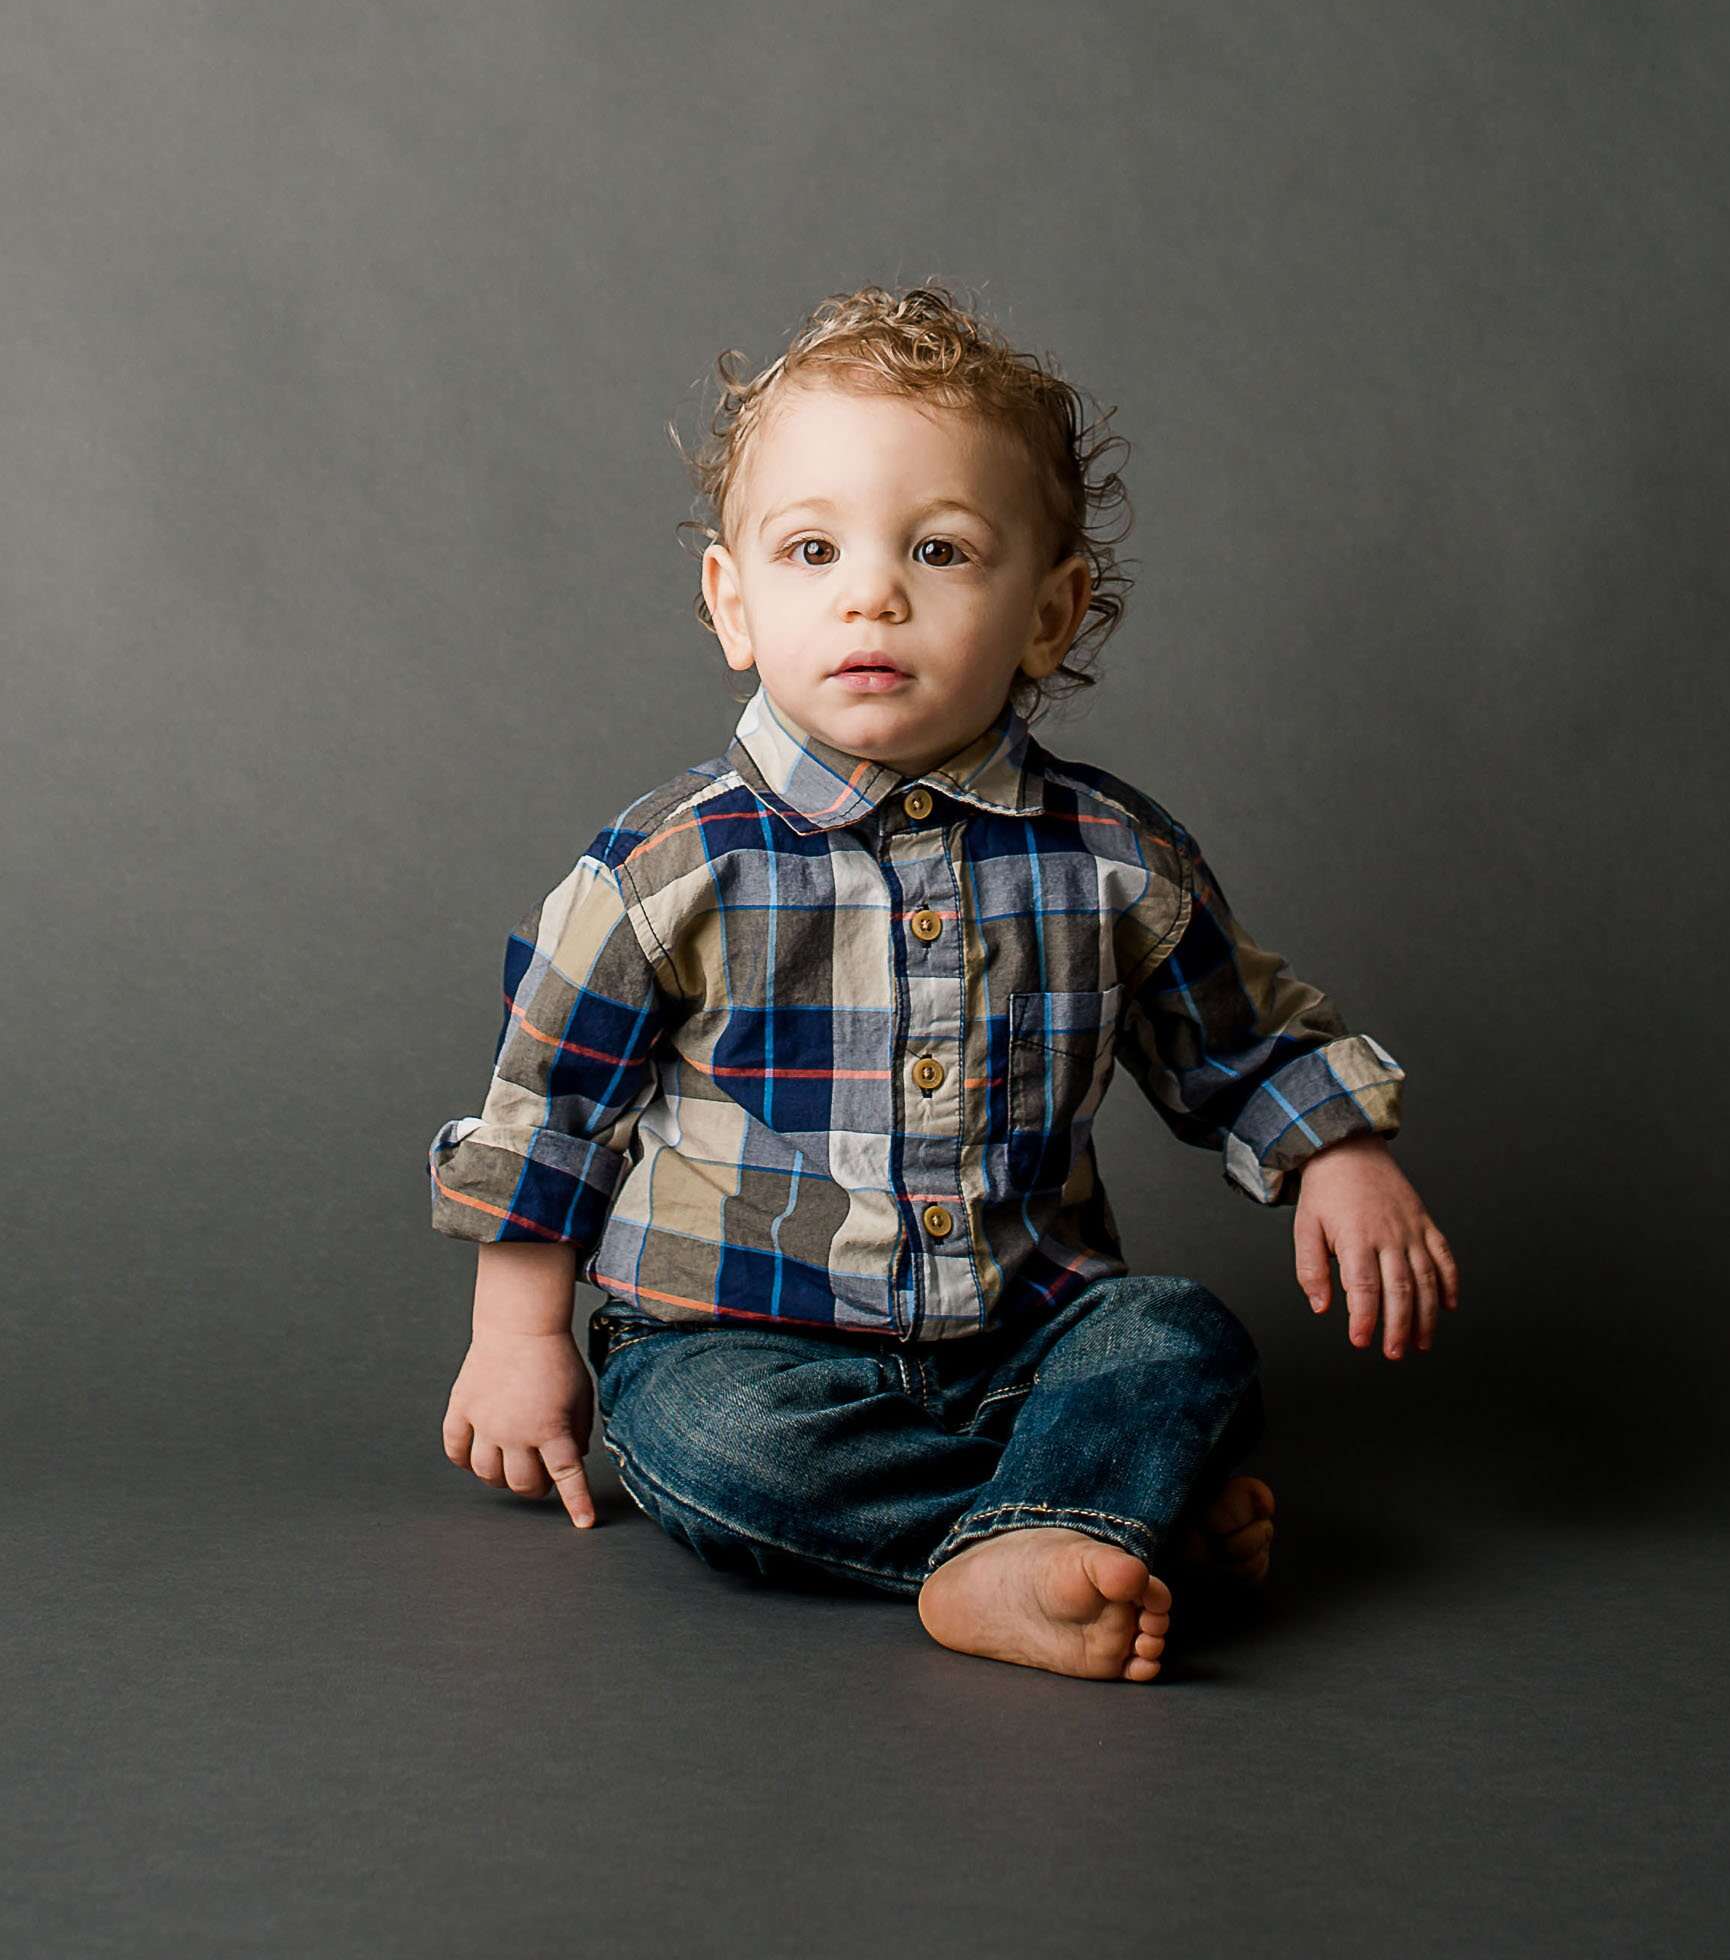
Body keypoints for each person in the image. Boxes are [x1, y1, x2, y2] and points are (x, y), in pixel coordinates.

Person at [427, 283, 1460, 1683]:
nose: (871, 592)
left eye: (938, 549)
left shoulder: (1111, 859)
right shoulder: (667, 870)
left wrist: (1338, 1150)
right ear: (731, 603)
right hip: (747, 1345)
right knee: (713, 1453)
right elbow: (546, 1114)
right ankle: (1086, 1524)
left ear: (1049, 612)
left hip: (1024, 1333)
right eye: (810, 549)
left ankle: (1063, 1524)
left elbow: (1236, 1045)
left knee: (1178, 1335)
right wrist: (515, 1335)